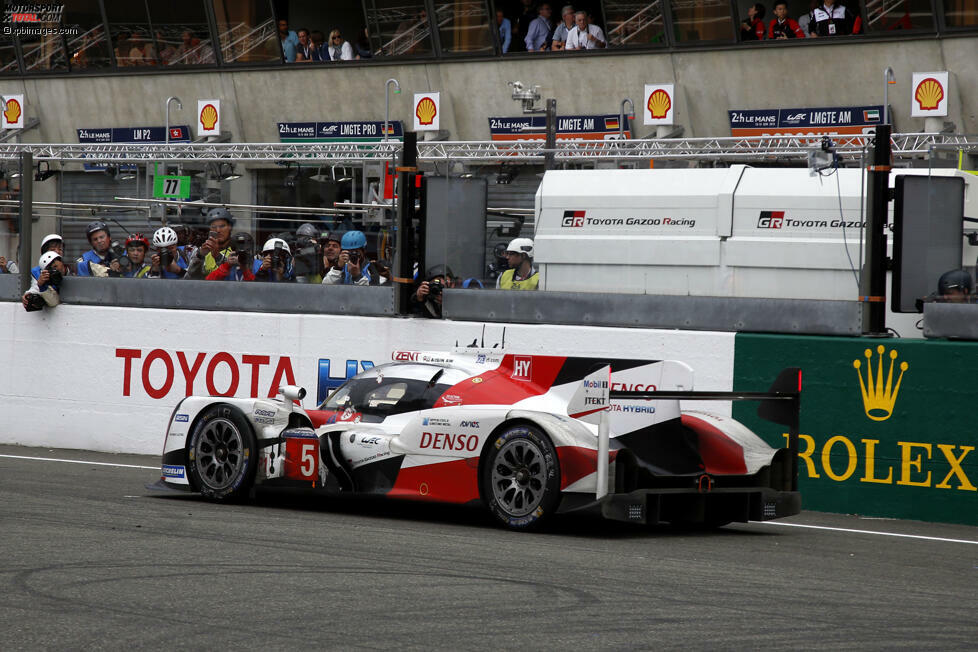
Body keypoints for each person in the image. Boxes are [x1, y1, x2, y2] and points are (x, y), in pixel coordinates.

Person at [186, 207, 235, 279]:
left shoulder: (236, 249)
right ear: (210, 229)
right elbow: (188, 278)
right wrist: (200, 256)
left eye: (222, 226)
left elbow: (233, 276)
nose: (218, 230)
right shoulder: (204, 250)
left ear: (230, 227)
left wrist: (217, 256)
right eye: (214, 227)